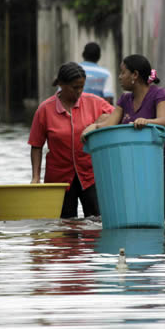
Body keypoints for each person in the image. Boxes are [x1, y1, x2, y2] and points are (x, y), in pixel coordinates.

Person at [82, 54, 165, 216]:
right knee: (133, 215)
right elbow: (109, 124)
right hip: (130, 167)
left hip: (157, 166)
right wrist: (94, 127)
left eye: (123, 72)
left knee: (155, 217)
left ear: (135, 75)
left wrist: (147, 121)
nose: (119, 77)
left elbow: (164, 120)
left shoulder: (159, 94)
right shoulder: (124, 99)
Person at [29, 62, 114, 218]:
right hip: (58, 180)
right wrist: (36, 177)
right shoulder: (45, 109)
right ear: (61, 85)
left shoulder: (94, 103)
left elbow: (118, 116)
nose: (79, 91)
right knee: (64, 228)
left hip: (90, 175)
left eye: (82, 86)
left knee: (97, 222)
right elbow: (36, 145)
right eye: (75, 87)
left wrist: (99, 123)